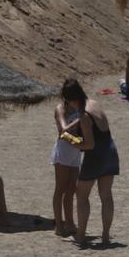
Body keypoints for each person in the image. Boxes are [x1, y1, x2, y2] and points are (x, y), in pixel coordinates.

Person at [67, 80, 119, 247]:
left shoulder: (83, 115)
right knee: (106, 195)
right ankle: (105, 236)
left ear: (70, 99)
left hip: (96, 156)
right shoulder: (95, 103)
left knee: (81, 195)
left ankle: (80, 236)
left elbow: (89, 144)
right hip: (110, 150)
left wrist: (74, 142)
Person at [50, 80, 84, 237]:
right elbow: (63, 129)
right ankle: (59, 224)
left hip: (76, 150)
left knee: (72, 189)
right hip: (63, 150)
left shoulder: (80, 105)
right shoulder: (60, 108)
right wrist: (81, 119)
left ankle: (70, 223)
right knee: (60, 189)